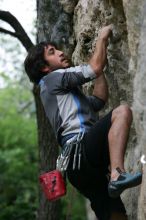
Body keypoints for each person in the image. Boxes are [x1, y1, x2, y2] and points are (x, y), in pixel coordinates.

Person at [24, 25, 142, 220]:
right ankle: (117, 174)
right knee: (121, 112)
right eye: (53, 52)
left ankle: (114, 178)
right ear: (44, 67)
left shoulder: (60, 94)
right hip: (82, 150)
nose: (61, 53)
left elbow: (98, 100)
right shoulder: (53, 78)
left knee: (115, 215)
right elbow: (93, 67)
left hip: (78, 169)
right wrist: (102, 38)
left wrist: (99, 72)